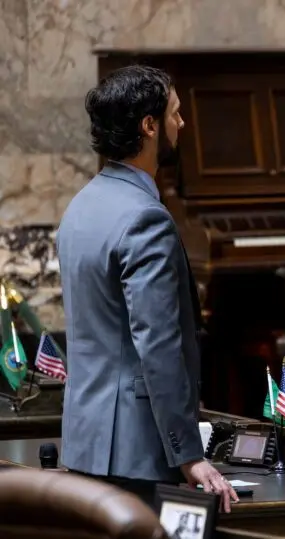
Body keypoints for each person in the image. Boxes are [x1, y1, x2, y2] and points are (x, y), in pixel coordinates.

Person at [57, 65, 237, 511]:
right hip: (138, 450)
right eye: (175, 113)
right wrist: (189, 455)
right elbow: (157, 342)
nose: (182, 123)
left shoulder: (81, 206)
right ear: (149, 125)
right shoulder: (145, 218)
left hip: (85, 442)